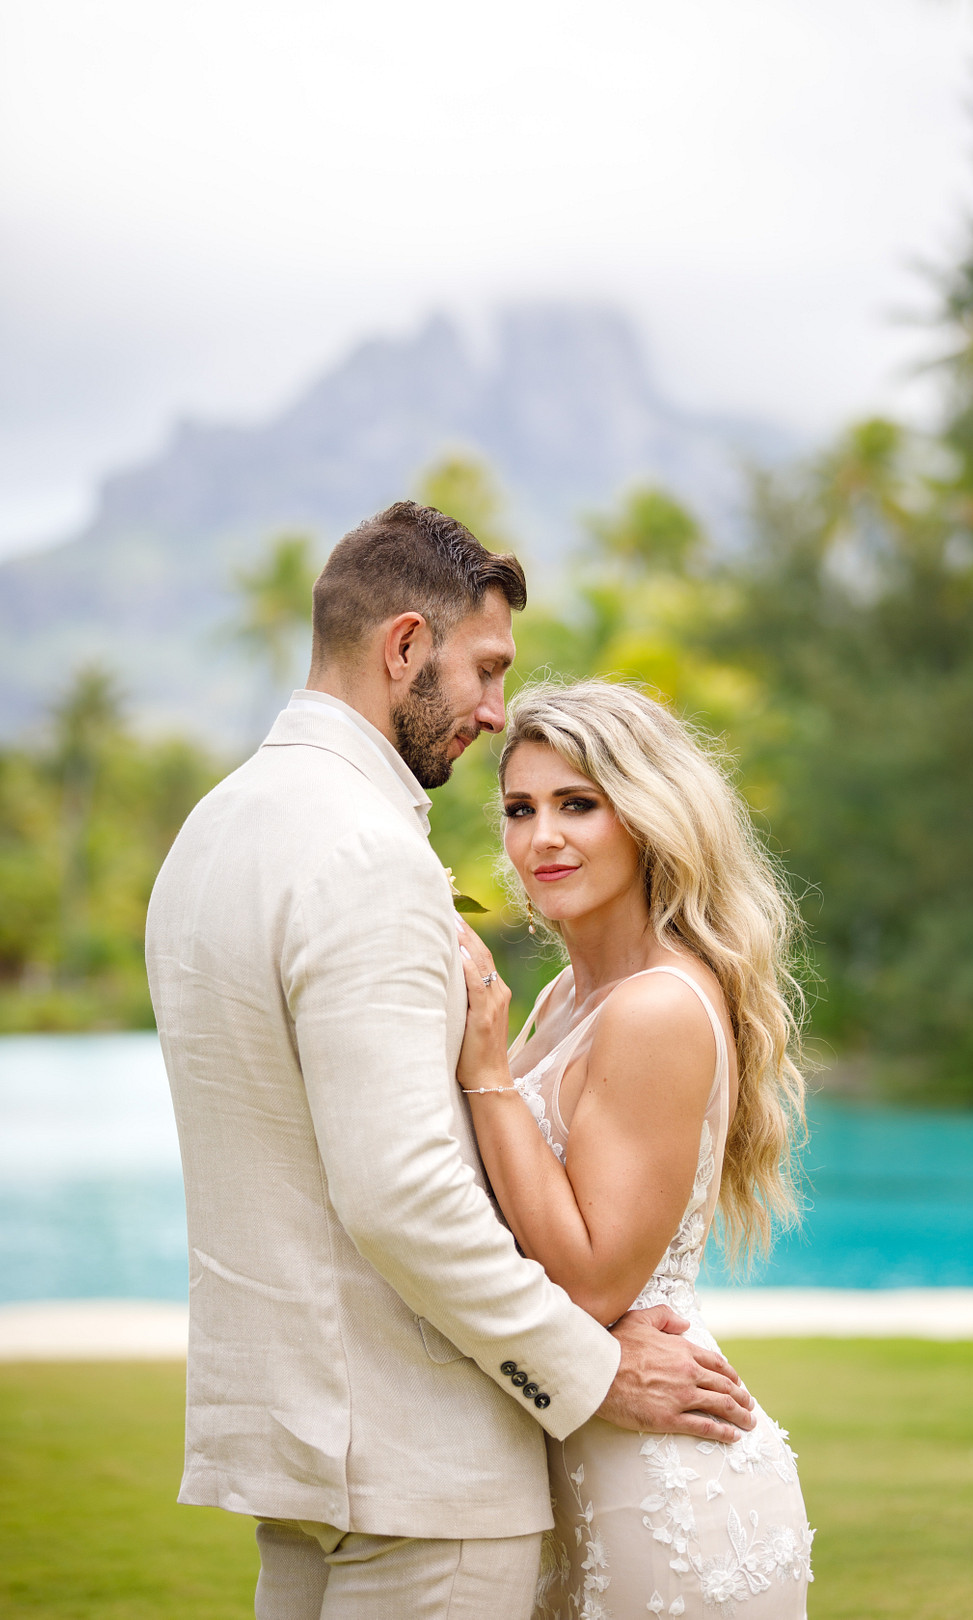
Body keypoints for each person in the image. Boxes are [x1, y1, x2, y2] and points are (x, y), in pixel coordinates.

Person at [145, 503, 755, 1620]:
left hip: (294, 1455)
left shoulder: (213, 832)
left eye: (576, 804)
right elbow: (401, 1190)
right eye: (483, 669)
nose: (491, 709)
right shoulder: (369, 854)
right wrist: (591, 1370)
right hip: (421, 1467)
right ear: (405, 647)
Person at [454, 679, 814, 1618]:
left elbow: (593, 1286)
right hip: (575, 1455)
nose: (542, 839)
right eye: (520, 810)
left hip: (664, 1495)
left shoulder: (655, 1007)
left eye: (579, 804)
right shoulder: (563, 1001)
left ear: (648, 819)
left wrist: (484, 1069)